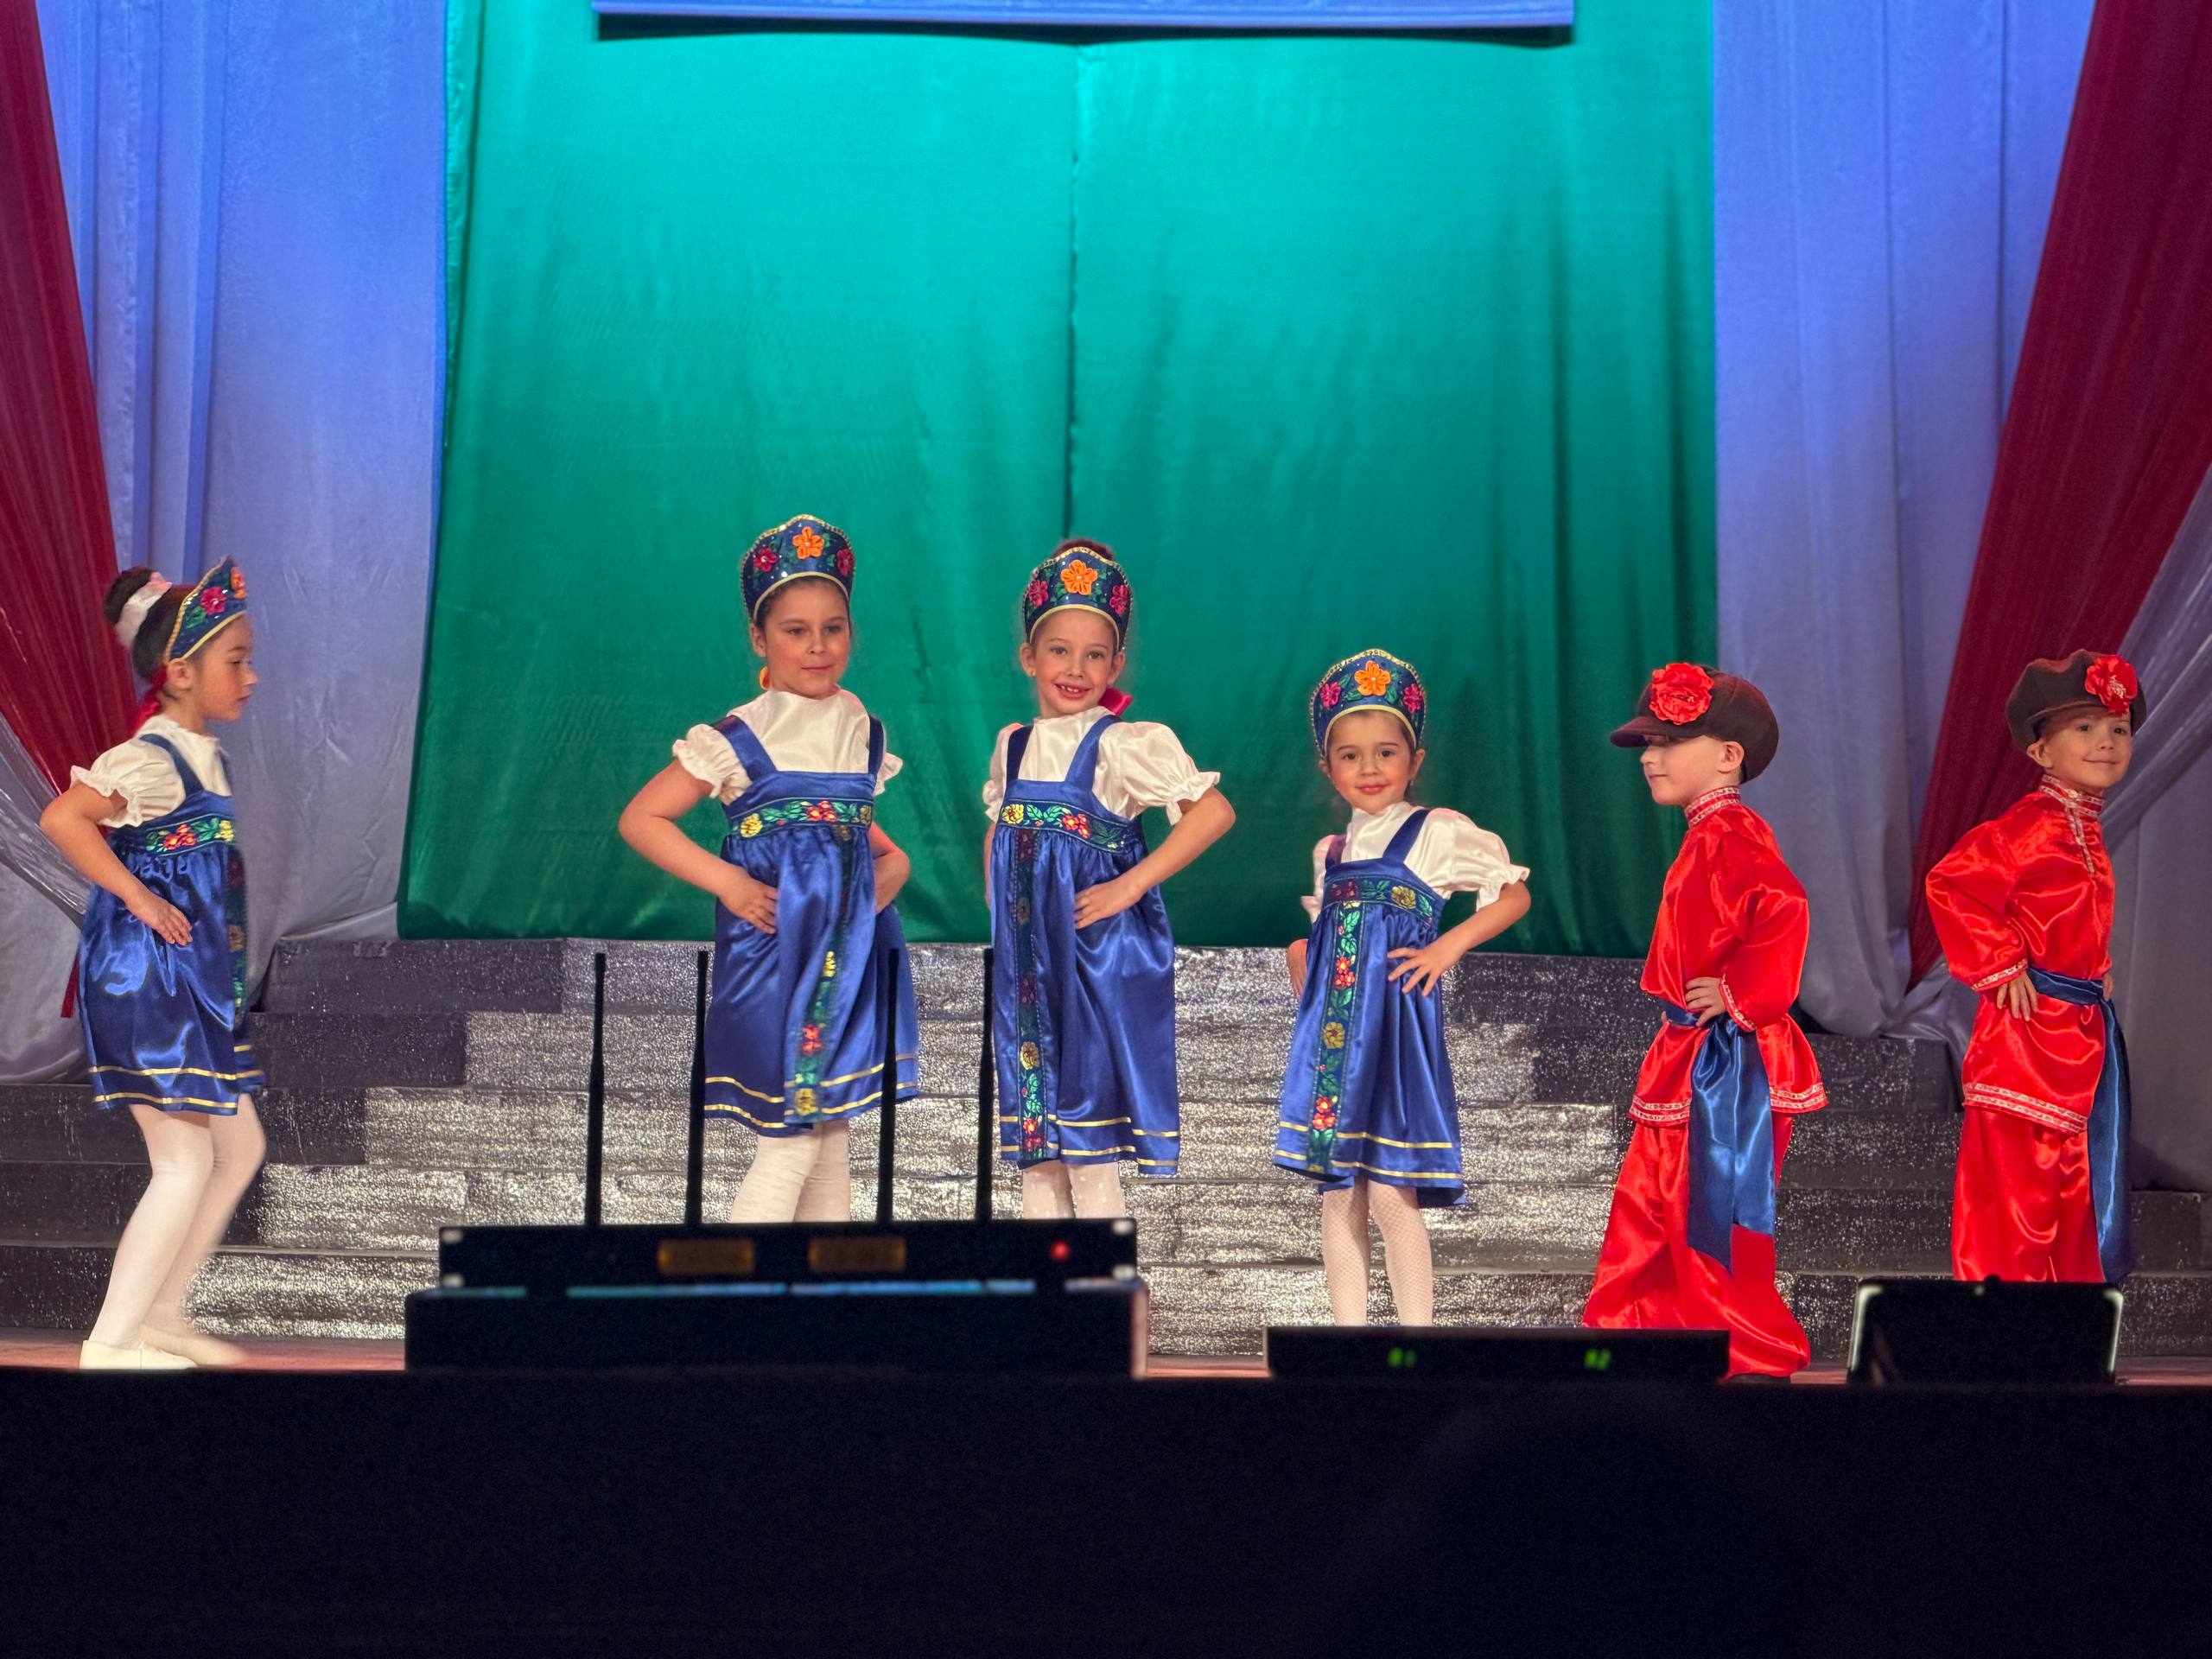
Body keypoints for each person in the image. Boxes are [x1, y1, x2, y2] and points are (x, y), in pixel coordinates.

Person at [618, 515, 917, 1223]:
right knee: (791, 1138)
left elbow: (858, 834)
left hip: (851, 954)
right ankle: (734, 1288)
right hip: (777, 954)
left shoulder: (860, 726)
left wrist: (891, 872)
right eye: (795, 630)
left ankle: (816, 1288)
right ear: (760, 638)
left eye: (833, 628)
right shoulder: (739, 735)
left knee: (831, 1132)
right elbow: (642, 819)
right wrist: (728, 882)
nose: (817, 646)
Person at [41, 561, 266, 1369]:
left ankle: (164, 1313)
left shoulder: (204, 757)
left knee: (238, 1146)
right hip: (148, 976)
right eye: (235, 661)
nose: (250, 676)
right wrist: (138, 896)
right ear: (180, 673)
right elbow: (64, 818)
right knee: (184, 1159)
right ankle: (111, 1342)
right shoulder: (150, 758)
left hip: (192, 982)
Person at [1582, 663, 1825, 1379]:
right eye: (1648, 744)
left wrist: (1741, 995)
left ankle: (1732, 1345)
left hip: (1727, 1057)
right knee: (1662, 1201)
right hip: (1697, 1048)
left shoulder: (1731, 833)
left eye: (1669, 741)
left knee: (1705, 1207)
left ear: (1728, 755)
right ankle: (1657, 1335)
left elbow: (1785, 908)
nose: (1650, 757)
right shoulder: (1708, 832)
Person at [1275, 650, 1529, 1325]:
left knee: (1392, 1193)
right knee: (1339, 1195)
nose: (1369, 768)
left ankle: (1418, 1340)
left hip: (1393, 1039)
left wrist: (1446, 947)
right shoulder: (1331, 852)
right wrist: (1304, 957)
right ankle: (1349, 1341)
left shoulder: (1436, 832)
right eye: (1350, 756)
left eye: (1386, 753)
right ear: (1328, 768)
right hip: (1337, 1046)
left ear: (1414, 761)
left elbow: (1512, 895)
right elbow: (1329, 940)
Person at [983, 539, 1234, 1219]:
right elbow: (1000, 829)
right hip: (1029, 973)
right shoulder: (1012, 744)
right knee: (1038, 1150)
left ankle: (1105, 1283)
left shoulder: (1121, 744)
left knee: (1087, 1147)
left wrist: (1129, 886)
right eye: (1059, 651)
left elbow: (1212, 813)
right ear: (1029, 657)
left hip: (1094, 966)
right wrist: (1003, 913)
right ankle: (1048, 1285)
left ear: (1116, 664)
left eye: (1095, 655)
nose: (1076, 668)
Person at [1925, 650, 2145, 1285]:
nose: (2107, 741)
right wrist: (1999, 964)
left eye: (2119, 728)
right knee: (2019, 1196)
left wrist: (2094, 966)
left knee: (2068, 1190)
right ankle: (2005, 1322)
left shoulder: (2083, 827)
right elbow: (1952, 885)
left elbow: (2061, 913)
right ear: (2040, 751)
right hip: (2025, 1037)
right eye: (2086, 727)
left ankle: (2063, 1322)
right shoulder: (2030, 826)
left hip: (2073, 1032)